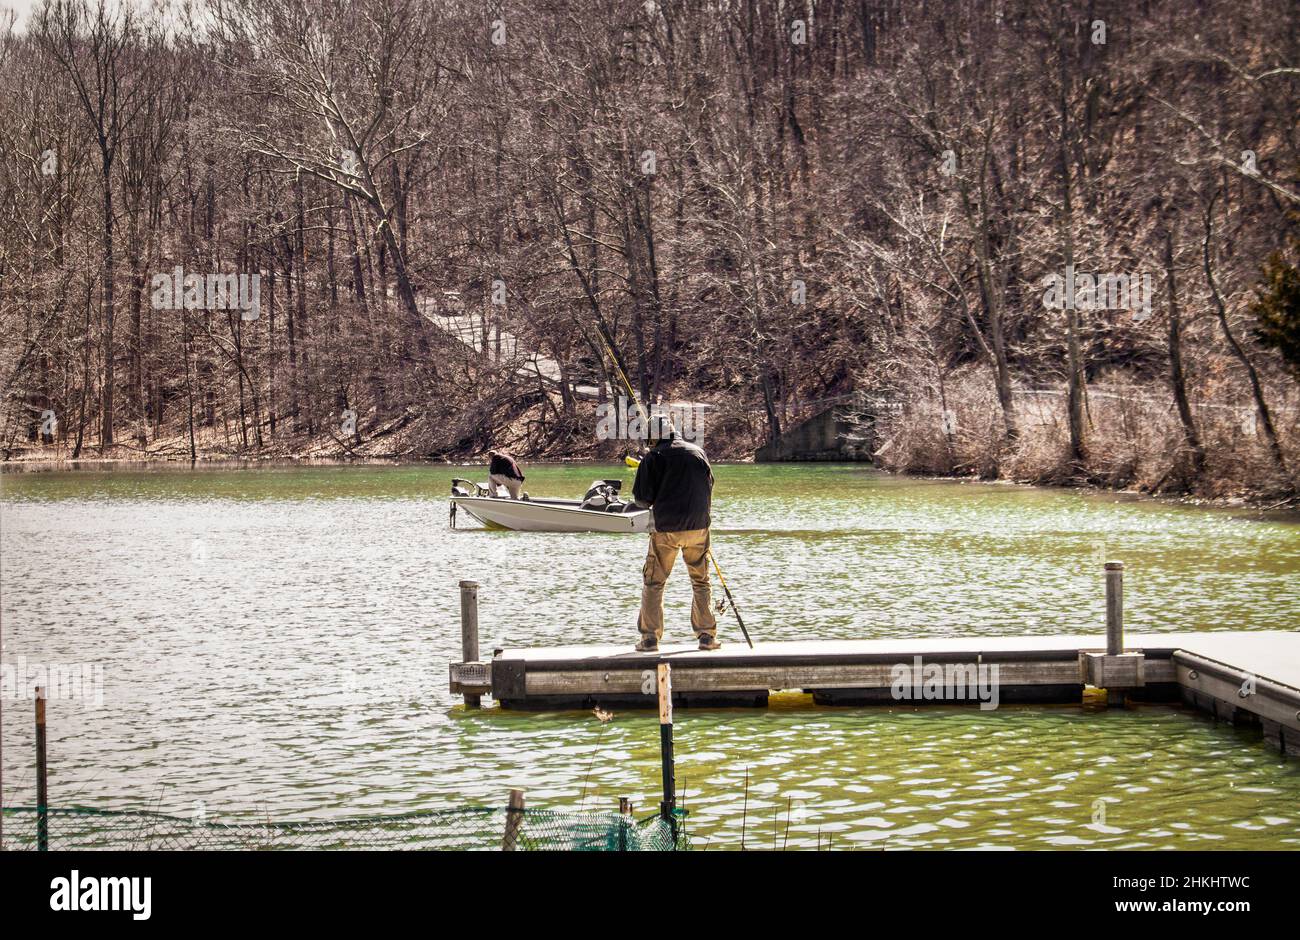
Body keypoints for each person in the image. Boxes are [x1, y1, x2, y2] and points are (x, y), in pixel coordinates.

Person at [630, 420, 718, 652]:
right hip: (698, 528)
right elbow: (709, 486)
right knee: (701, 581)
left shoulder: (653, 458)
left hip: (666, 529)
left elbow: (642, 500)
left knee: (654, 582)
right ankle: (707, 636)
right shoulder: (698, 452)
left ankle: (649, 638)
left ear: (653, 437)